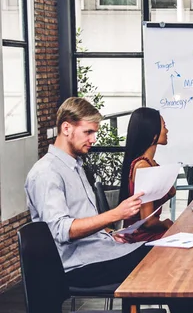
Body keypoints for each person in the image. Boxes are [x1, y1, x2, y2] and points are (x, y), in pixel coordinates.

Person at [25, 97, 147, 288]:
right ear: (66, 128)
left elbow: (83, 219)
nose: (93, 139)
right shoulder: (46, 172)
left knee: (165, 255)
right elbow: (61, 230)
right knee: (161, 259)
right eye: (88, 132)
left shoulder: (75, 165)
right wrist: (116, 214)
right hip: (77, 267)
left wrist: (110, 233)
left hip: (97, 253)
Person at [119, 107, 176, 242]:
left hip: (145, 234)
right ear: (153, 133)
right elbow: (148, 221)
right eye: (164, 127)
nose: (167, 131)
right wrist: (166, 224)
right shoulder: (143, 167)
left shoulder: (150, 164)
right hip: (142, 237)